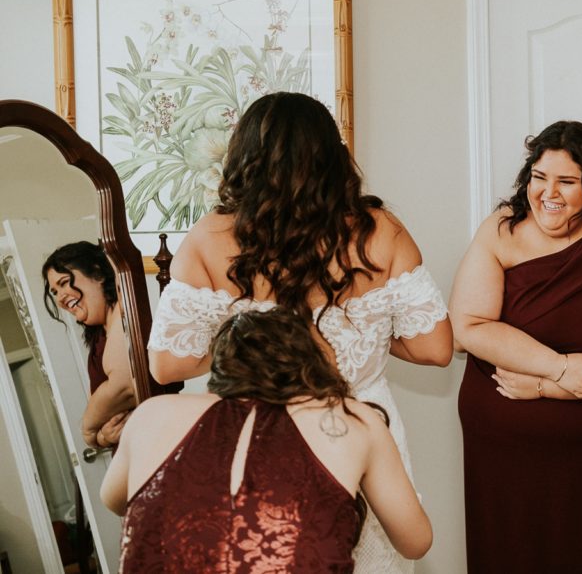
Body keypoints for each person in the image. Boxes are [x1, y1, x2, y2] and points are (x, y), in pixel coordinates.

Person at [146, 92, 453, 574]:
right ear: (334, 156)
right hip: (361, 428)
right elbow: (434, 349)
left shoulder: (210, 237)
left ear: (243, 157)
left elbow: (168, 364)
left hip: (256, 434)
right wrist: (362, 332)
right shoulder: (383, 231)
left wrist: (248, 344)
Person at [450, 120, 582, 573]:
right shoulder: (500, 230)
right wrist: (560, 366)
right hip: (500, 449)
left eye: (566, 181)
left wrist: (549, 387)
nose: (548, 192)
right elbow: (469, 325)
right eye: (539, 177)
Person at [102, 308, 432, 572]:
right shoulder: (351, 419)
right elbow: (416, 542)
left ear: (222, 367)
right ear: (308, 365)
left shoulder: (152, 414)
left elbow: (115, 500)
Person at [43, 241, 135, 448]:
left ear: (98, 273)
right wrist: (102, 438)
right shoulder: (100, 338)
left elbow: (123, 386)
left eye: (64, 282)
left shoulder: (125, 311)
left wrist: (87, 430)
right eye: (54, 292)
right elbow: (102, 407)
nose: (59, 298)